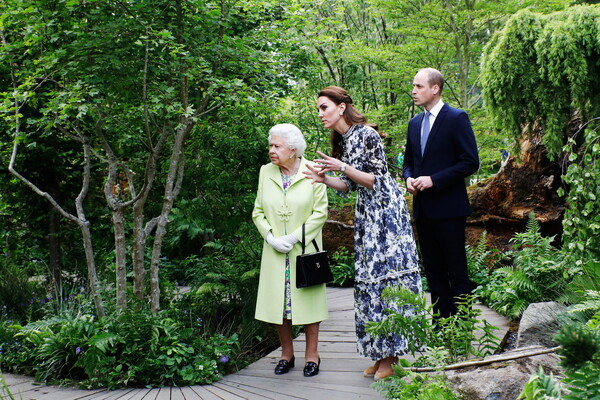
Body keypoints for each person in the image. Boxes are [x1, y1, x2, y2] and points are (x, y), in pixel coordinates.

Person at [303, 86, 422, 381]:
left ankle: (392, 359)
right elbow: (351, 185)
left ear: (341, 107)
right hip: (367, 215)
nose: (320, 114)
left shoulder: (366, 133)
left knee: (388, 279)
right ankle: (380, 355)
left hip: (386, 215)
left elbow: (378, 180)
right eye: (318, 109)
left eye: (323, 108)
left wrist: (341, 166)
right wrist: (325, 179)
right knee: (370, 282)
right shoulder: (346, 140)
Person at [252, 123, 328, 377]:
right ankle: (286, 354)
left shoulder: (313, 171)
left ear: (293, 149)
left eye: (277, 146)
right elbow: (258, 211)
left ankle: (312, 356)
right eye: (270, 145)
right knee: (278, 305)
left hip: (304, 250)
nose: (271, 150)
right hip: (275, 252)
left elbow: (320, 213)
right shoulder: (266, 172)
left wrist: (296, 236)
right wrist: (271, 237)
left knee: (309, 305)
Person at [403, 68, 479, 319]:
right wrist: (409, 179)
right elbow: (409, 162)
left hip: (450, 209)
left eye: (419, 86)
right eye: (413, 86)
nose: (413, 91)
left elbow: (470, 162)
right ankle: (441, 324)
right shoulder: (414, 123)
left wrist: (434, 180)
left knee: (456, 269)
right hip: (423, 209)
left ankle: (463, 326)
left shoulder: (456, 118)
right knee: (433, 271)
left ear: (435, 88)